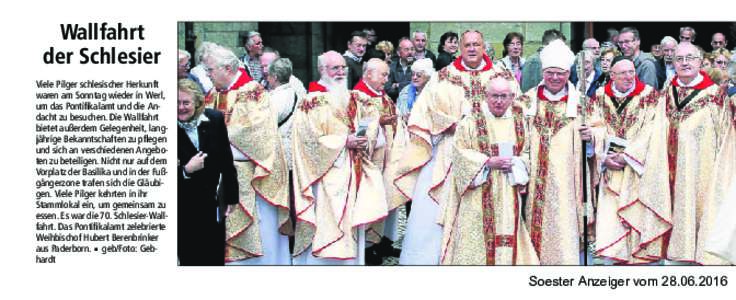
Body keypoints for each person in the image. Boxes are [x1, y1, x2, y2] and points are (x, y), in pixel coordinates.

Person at [391, 30, 510, 265]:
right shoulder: (443, 76)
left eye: (477, 44)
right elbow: (424, 112)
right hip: (449, 152)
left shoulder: (501, 74)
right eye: (468, 45)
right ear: (460, 48)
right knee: (433, 215)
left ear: (483, 46)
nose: (473, 49)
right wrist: (454, 124)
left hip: (491, 154)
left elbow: (517, 108)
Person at [291, 51, 388, 265]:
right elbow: (308, 141)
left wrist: (366, 138)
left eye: (343, 67)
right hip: (326, 176)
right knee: (328, 228)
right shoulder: (310, 102)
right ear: (322, 70)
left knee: (352, 228)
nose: (341, 72)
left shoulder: (354, 97)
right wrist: (344, 141)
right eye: (335, 68)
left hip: (354, 172)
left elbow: (371, 123)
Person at [202, 44, 291, 265]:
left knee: (260, 233)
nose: (208, 74)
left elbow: (257, 132)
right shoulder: (213, 93)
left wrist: (216, 143)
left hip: (251, 174)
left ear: (227, 68)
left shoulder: (253, 93)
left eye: (210, 70)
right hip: (220, 174)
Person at [439, 75, 539, 265]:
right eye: (494, 96)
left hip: (508, 192)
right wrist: (487, 162)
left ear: (512, 97)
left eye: (504, 96)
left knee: (506, 237)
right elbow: (459, 153)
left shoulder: (519, 122)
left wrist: (516, 163)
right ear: (485, 96)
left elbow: (528, 153)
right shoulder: (470, 121)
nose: (499, 101)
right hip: (477, 193)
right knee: (476, 240)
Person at [517, 39, 596, 265]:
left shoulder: (582, 104)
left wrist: (591, 137)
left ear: (568, 73)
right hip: (534, 182)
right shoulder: (526, 102)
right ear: (543, 72)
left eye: (560, 74)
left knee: (565, 228)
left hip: (568, 183)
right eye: (550, 73)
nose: (554, 78)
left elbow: (599, 133)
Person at [589, 56, 671, 265]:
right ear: (612, 75)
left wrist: (627, 155)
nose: (628, 76)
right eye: (622, 73)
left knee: (635, 215)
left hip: (636, 168)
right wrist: (603, 157)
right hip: (610, 169)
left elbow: (653, 130)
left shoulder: (650, 96)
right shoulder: (599, 96)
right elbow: (594, 127)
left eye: (631, 72)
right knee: (611, 222)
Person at [663, 42, 730, 265]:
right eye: (679, 59)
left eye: (690, 58)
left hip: (703, 170)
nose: (684, 63)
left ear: (701, 62)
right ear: (673, 63)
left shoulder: (715, 94)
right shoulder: (666, 91)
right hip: (668, 165)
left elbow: (726, 132)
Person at [177, 78, 239, 266]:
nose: (180, 107)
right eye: (176, 103)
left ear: (196, 103)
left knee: (214, 257)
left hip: (211, 206)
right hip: (183, 209)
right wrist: (186, 170)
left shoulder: (214, 119)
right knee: (191, 258)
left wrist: (231, 197)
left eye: (185, 103)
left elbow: (226, 161)